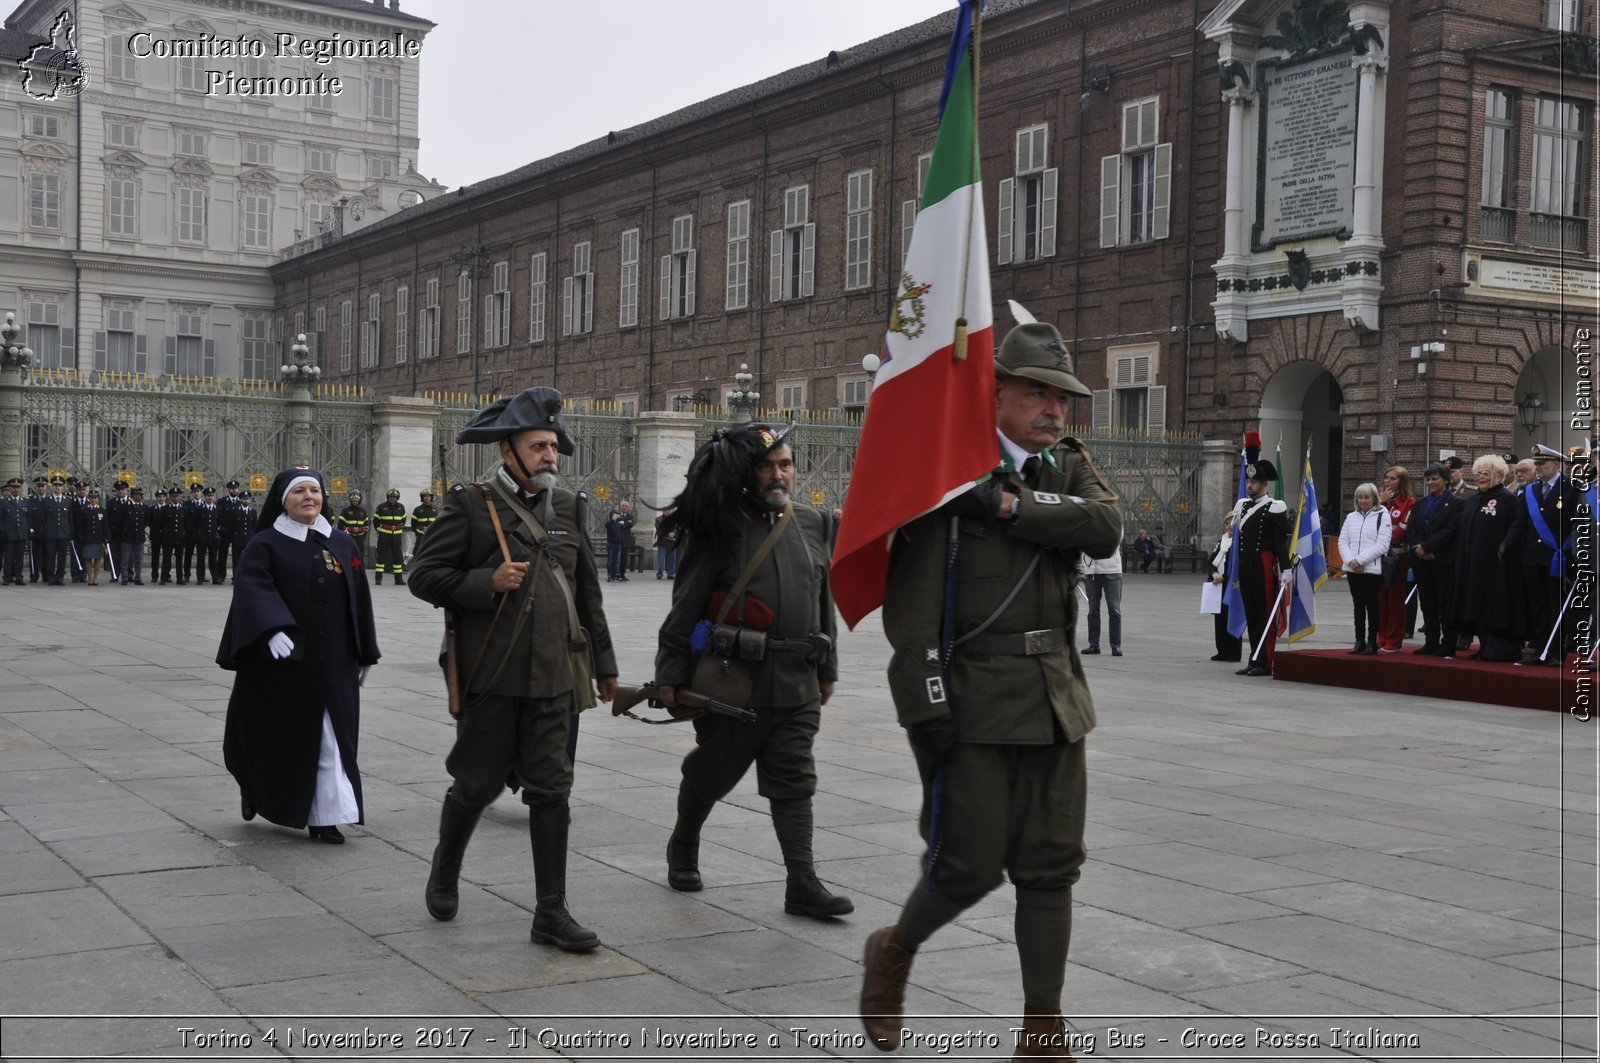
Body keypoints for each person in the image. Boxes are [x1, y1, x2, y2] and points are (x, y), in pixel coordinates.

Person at [860, 320, 1122, 1056]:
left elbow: (1105, 526)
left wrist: (1011, 507)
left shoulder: (1065, 465)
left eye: (1063, 398)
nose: (1054, 410)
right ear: (995, 389)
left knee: (1051, 866)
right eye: (1038, 393)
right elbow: (910, 615)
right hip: (972, 702)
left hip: (1056, 699)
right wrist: (925, 706)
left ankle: (1044, 1027)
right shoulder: (945, 477)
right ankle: (894, 949)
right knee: (965, 866)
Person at [408, 386, 618, 953]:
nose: (551, 455)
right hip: (493, 675)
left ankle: (551, 912)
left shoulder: (571, 508)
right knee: (475, 784)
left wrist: (606, 667)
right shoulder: (471, 505)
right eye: (539, 445)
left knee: (552, 791)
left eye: (554, 445)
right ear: (508, 451)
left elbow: (587, 596)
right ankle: (446, 867)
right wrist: (485, 582)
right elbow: (423, 575)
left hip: (555, 677)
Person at [655, 422, 849, 919]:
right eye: (766, 466)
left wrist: (827, 666)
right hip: (732, 681)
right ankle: (684, 842)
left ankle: (802, 883)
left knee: (794, 780)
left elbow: (821, 599)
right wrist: (670, 675)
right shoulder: (720, 528)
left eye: (784, 464)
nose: (778, 473)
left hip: (797, 680)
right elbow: (685, 606)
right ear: (747, 474)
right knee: (712, 773)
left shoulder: (812, 522)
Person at [218, 466, 380, 843]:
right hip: (284, 664)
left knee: (331, 739)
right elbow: (253, 586)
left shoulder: (342, 542)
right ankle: (255, 788)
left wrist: (366, 650)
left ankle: (325, 818)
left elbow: (359, 599)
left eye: (315, 491)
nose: (309, 497)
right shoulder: (266, 544)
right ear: (282, 500)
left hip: (336, 662)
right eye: (299, 492)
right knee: (275, 737)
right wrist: (271, 628)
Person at [1505, 448, 1579, 666]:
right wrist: (1506, 545)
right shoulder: (1530, 490)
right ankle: (1539, 647)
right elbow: (1521, 523)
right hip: (1533, 556)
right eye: (1536, 464)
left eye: (1542, 464)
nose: (1538, 468)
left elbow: (1576, 523)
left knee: (1556, 604)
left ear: (1556, 464)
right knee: (1537, 605)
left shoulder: (1572, 489)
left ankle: (1556, 651)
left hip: (1558, 557)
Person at [1452, 454, 1518, 661]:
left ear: (1498, 475)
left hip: (1493, 566)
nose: (1480, 477)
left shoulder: (1508, 500)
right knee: (1474, 605)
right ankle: (1481, 645)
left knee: (1491, 606)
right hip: (1470, 563)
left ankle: (1494, 647)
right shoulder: (1472, 500)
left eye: (1486, 474)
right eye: (1478, 473)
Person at [1232, 454, 1291, 677]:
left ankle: (1266, 661)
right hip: (1246, 563)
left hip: (1264, 562)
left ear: (1264, 484)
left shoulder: (1274, 507)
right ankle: (1254, 658)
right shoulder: (1243, 506)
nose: (1250, 485)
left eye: (1254, 482)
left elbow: (1279, 541)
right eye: (1248, 481)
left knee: (1265, 613)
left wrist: (1285, 568)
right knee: (1252, 614)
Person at [1409, 464, 1463, 656]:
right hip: (1421, 561)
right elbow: (1412, 527)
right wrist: (1418, 547)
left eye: (1435, 479)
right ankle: (1430, 641)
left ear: (1446, 481)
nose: (1430, 483)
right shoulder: (1421, 503)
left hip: (1442, 560)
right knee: (1427, 602)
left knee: (1444, 603)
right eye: (1429, 479)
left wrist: (1429, 547)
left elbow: (1451, 530)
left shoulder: (1457, 503)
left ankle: (1447, 643)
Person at [1338, 483, 1391, 655]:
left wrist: (1360, 560)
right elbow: (1343, 541)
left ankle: (1371, 642)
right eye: (1360, 497)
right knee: (1357, 605)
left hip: (1371, 569)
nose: (1363, 500)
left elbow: (1383, 544)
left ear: (1374, 498)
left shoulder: (1382, 515)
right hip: (1352, 569)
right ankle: (1359, 640)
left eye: (1366, 497)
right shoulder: (1351, 517)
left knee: (1372, 605)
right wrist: (1351, 560)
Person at [1375, 466, 1414, 652]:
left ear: (1402, 481)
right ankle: (1380, 636)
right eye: (1386, 477)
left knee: (1395, 599)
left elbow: (1399, 533)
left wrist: (1380, 539)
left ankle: (1394, 639)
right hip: (1377, 557)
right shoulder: (1379, 502)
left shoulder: (1409, 503)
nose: (1387, 481)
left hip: (1396, 558)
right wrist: (1380, 504)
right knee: (1380, 599)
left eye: (1393, 478)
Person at [1207, 512, 1241, 662]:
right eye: (1227, 523)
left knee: (1231, 617)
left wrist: (1224, 577)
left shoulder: (1239, 542)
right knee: (1219, 619)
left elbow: (1235, 566)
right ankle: (1222, 650)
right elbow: (1211, 561)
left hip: (1231, 585)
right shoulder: (1222, 542)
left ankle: (1234, 652)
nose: (1229, 526)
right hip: (1217, 584)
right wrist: (1214, 573)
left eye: (1232, 523)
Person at [1079, 548, 1122, 656]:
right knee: (1093, 609)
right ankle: (1094, 645)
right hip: (1091, 571)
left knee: (1114, 610)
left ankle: (1116, 645)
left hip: (1112, 569)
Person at [37, 475, 73, 586]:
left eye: (60, 485)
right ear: (52, 487)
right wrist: (42, 531)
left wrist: (71, 532)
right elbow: (42, 517)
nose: (58, 487)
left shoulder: (68, 501)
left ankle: (60, 577)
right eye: (56, 485)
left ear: (63, 487)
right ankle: (51, 577)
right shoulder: (46, 501)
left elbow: (70, 518)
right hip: (50, 533)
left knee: (62, 557)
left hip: (63, 533)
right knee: (50, 556)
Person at [373, 488, 407, 585]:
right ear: (388, 497)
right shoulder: (381, 507)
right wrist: (378, 530)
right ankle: (378, 579)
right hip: (384, 535)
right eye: (390, 497)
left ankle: (398, 579)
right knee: (381, 556)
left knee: (397, 557)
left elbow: (403, 520)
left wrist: (399, 528)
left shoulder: (401, 507)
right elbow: (376, 521)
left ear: (397, 498)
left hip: (396, 536)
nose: (392, 498)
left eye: (394, 497)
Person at [75, 488, 108, 586]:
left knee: (97, 559)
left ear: (98, 499)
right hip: (88, 538)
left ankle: (96, 578)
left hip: (98, 538)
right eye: (91, 498)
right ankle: (89, 577)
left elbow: (105, 525)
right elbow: (80, 525)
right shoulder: (84, 510)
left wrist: (106, 537)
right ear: (88, 499)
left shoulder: (102, 510)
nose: (93, 500)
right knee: (88, 558)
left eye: (95, 498)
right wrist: (81, 536)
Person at [152, 488, 184, 585]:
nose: (175, 498)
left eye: (177, 496)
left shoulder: (183, 508)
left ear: (180, 497)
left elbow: (186, 524)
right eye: (173, 496)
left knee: (179, 559)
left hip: (179, 537)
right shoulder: (165, 509)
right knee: (166, 559)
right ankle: (163, 578)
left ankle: (180, 579)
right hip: (168, 537)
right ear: (170, 497)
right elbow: (161, 524)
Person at [0, 478, 27, 586]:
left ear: (20, 488)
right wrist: (2, 531)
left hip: (21, 534)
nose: (16, 489)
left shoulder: (25, 502)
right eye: (13, 487)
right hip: (9, 534)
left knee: (19, 557)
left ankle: (18, 577)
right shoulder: (4, 502)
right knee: (8, 557)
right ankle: (7, 577)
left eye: (18, 487)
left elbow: (28, 518)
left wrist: (27, 531)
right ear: (10, 489)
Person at [336, 491, 370, 569]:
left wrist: (363, 536)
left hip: (360, 537)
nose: (354, 502)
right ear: (350, 500)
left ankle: (360, 571)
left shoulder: (363, 511)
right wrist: (342, 537)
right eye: (353, 500)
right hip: (349, 537)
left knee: (360, 555)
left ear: (359, 500)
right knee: (349, 554)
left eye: (356, 500)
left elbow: (366, 525)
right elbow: (340, 525)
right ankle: (348, 570)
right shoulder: (345, 511)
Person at [180, 482, 205, 584]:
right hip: (190, 534)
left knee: (201, 557)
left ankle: (200, 576)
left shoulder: (205, 504)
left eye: (198, 491)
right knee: (188, 556)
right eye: (194, 492)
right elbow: (184, 519)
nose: (196, 494)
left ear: (201, 492)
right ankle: (186, 575)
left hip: (201, 534)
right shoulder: (187, 504)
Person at [605, 501, 635, 582]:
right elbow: (612, 523)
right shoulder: (616, 514)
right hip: (616, 540)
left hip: (625, 540)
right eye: (623, 506)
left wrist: (621, 522)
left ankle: (622, 574)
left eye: (626, 506)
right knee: (615, 558)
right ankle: (613, 574)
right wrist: (622, 522)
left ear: (628, 508)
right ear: (620, 507)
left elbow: (630, 524)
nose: (625, 507)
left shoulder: (630, 516)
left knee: (623, 558)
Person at [653, 506, 678, 580]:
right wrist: (668, 534)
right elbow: (659, 529)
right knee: (661, 559)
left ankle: (671, 574)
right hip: (662, 542)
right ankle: (659, 574)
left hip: (672, 541)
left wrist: (674, 534)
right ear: (663, 511)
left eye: (670, 510)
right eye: (667, 510)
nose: (669, 511)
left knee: (672, 559)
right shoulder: (658, 519)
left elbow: (677, 528)